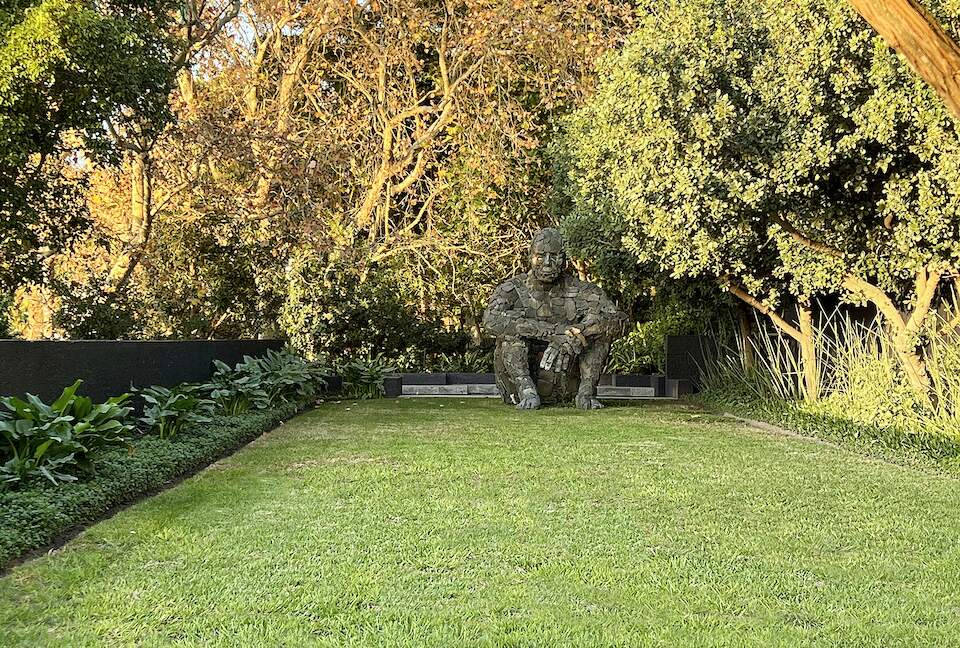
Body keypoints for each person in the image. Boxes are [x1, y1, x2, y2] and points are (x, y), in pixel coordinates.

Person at [483, 228, 626, 410]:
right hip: (523, 373)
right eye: (541, 256)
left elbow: (617, 320)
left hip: (566, 374)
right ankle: (526, 392)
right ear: (531, 256)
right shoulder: (513, 289)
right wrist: (552, 333)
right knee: (511, 333)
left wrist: (579, 333)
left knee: (599, 334)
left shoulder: (582, 290)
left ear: (564, 259)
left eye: (555, 256)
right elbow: (490, 320)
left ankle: (586, 394)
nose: (548, 263)